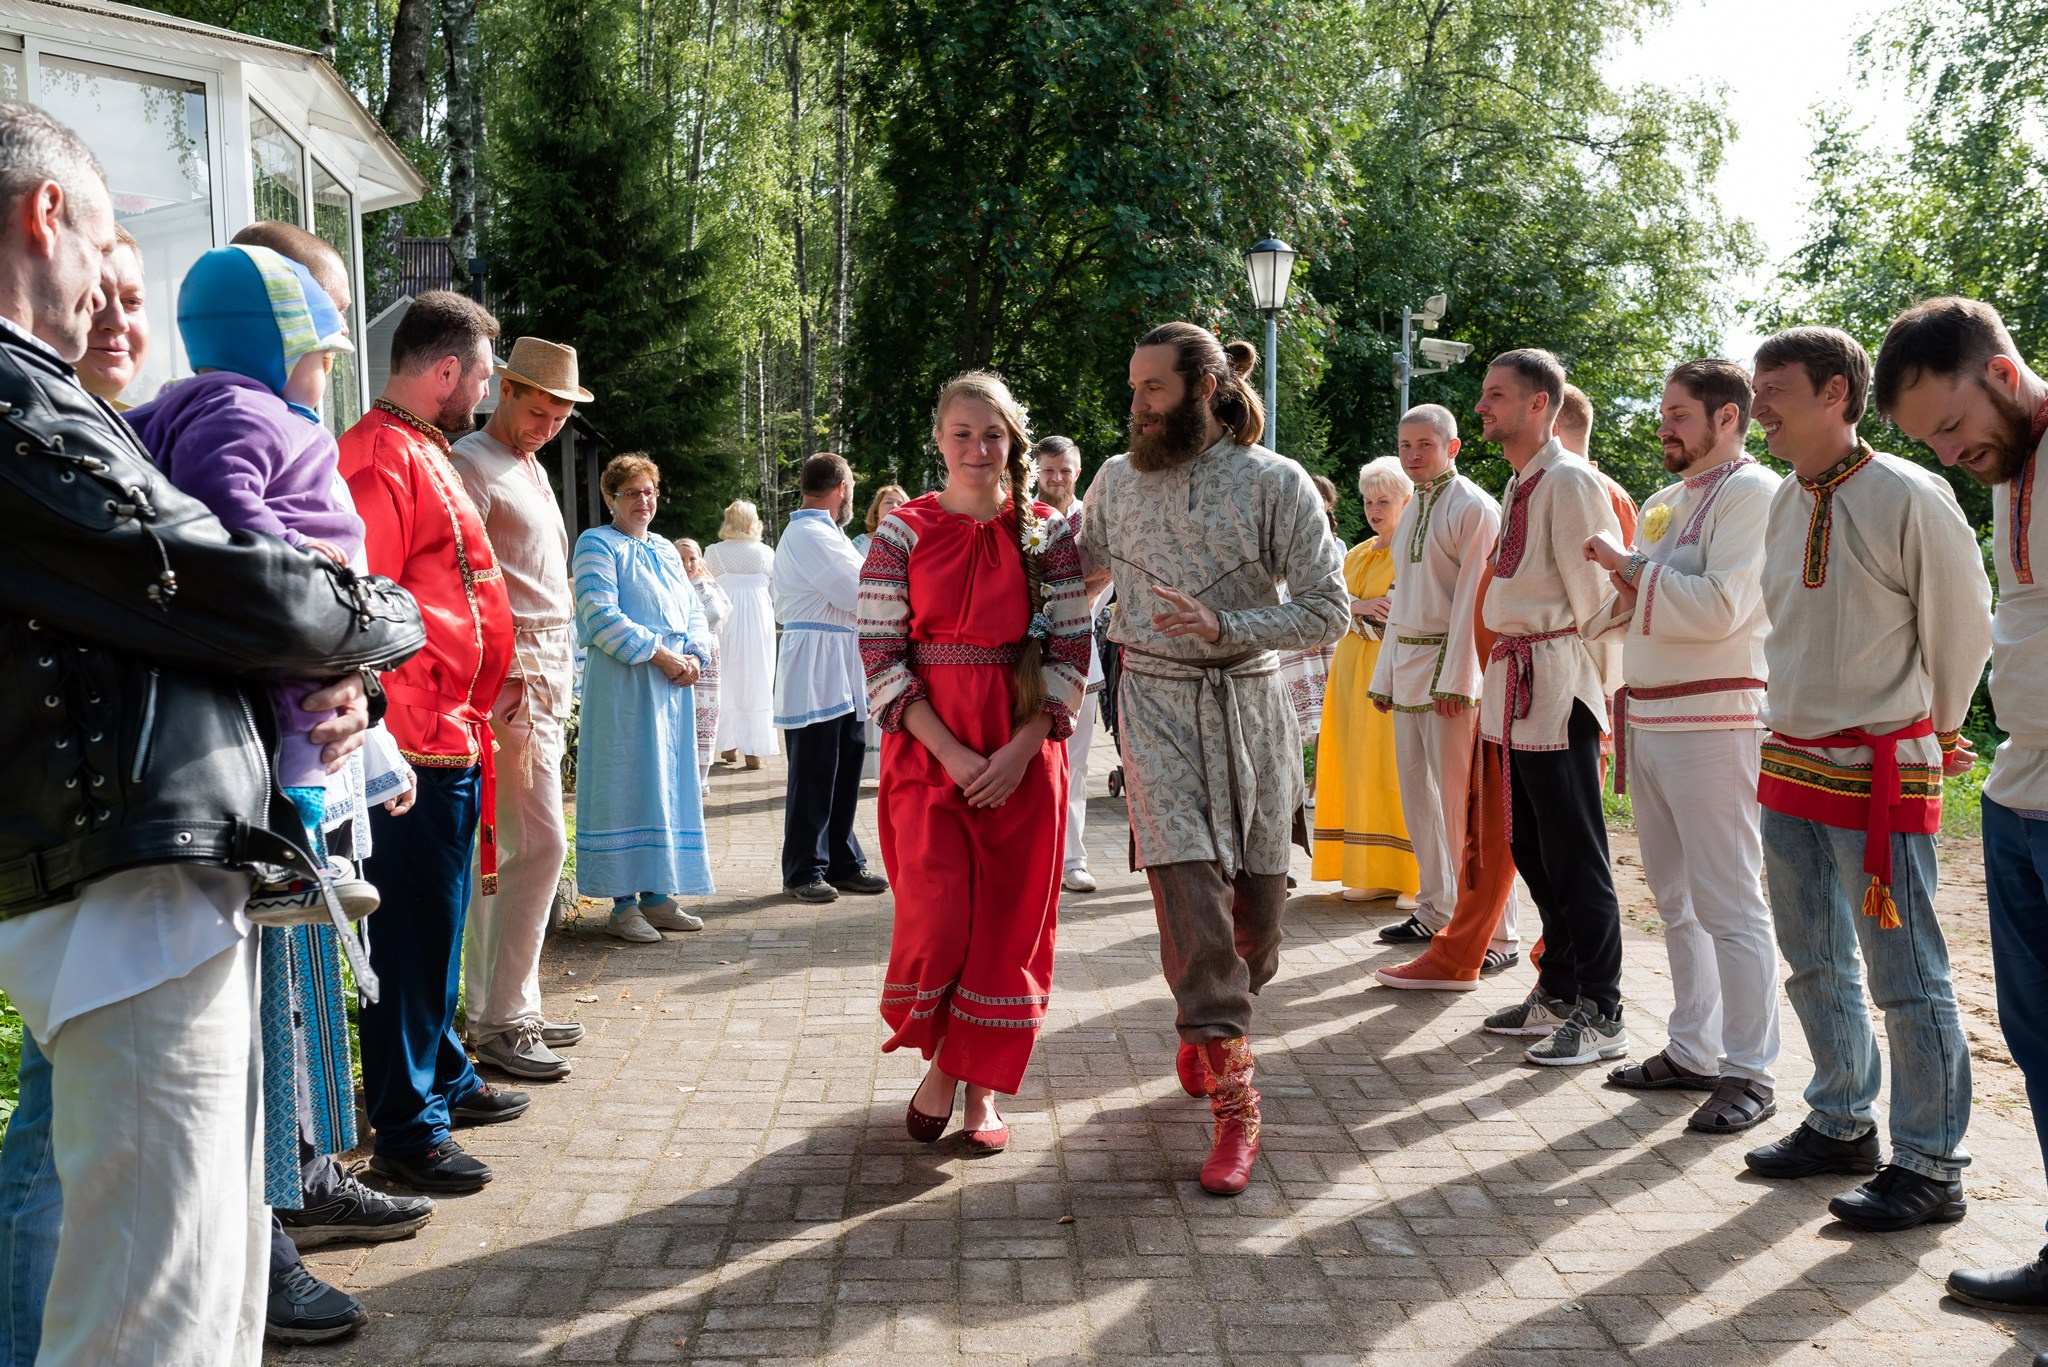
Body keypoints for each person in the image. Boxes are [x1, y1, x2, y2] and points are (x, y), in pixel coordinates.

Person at [0, 98, 421, 1367]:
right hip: (126, 906)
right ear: (46, 214)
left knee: (204, 1279)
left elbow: (205, 602)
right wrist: (384, 619)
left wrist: (349, 681)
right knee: (152, 1308)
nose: (109, 290)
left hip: (154, 886)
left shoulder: (50, 401)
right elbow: (228, 581)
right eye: (105, 245)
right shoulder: (17, 402)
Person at [1076, 322, 1346, 1195]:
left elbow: (1328, 609)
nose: (1136, 405)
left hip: (1250, 708)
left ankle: (1212, 1022)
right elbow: (1073, 577)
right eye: (1133, 388)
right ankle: (1236, 1103)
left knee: (1256, 926)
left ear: (1204, 387)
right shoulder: (1114, 481)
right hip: (1152, 702)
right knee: (1190, 897)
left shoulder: (1276, 481)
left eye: (1152, 388)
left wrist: (1227, 624)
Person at [1740, 325, 1991, 1231]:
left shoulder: (1908, 492)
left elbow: (1964, 619)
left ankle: (1930, 1163)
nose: (1757, 406)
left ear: (1835, 393)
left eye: (1773, 388)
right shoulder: (1783, 499)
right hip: (1791, 759)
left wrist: (1943, 726)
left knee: (1907, 972)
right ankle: (1842, 1119)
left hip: (1879, 768)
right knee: (1812, 956)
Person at [861, 371, 1090, 1150]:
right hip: (930, 748)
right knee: (942, 916)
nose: (978, 448)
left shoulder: (1047, 532)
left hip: (1024, 746)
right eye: (962, 433)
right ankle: (950, 1061)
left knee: (1008, 925)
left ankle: (973, 1087)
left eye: (992, 434)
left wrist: (1023, 748)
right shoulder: (902, 531)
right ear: (939, 439)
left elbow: (1071, 646)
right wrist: (954, 754)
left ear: (1011, 440)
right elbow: (880, 652)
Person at [1873, 299, 2048, 1303]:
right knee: (2037, 1043)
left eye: (1950, 427)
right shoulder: (2009, 467)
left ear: (2001, 373)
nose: (1946, 455)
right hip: (2020, 789)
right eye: (1928, 442)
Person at [343, 290, 528, 1196]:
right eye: (483, 378)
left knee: (439, 927)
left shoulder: (419, 446)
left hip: (447, 729)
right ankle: (407, 1128)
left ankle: (442, 1072)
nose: (485, 395)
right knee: (412, 938)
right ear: (446, 370)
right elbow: (363, 601)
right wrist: (383, 731)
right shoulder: (381, 455)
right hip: (412, 742)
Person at [1582, 359, 1783, 1133]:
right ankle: (1695, 1048)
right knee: (1676, 900)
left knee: (1730, 898)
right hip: (1653, 715)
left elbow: (1724, 608)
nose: (1663, 425)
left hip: (1718, 718)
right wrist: (1616, 584)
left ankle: (1751, 1069)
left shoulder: (1755, 492)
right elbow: (1635, 603)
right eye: (1664, 412)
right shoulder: (1663, 502)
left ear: (1727, 417)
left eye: (1679, 413)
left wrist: (1630, 569)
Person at [1469, 349, 1629, 1067]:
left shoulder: (1569, 481)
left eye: (1496, 395)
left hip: (1557, 682)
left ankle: (1604, 1006)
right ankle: (1560, 987)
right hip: (1519, 680)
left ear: (1540, 404)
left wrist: (1599, 697)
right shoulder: (1521, 481)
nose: (1482, 406)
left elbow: (1598, 603)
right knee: (1532, 847)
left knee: (1575, 852)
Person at [451, 337, 588, 1084]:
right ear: (505, 390)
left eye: (559, 418)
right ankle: (499, 1017)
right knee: (533, 847)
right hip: (513, 678)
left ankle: (512, 1003)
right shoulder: (471, 462)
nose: (546, 428)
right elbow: (465, 580)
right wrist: (499, 677)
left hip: (545, 669)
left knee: (523, 847)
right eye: (538, 412)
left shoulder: (524, 463)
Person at [1366, 404, 1518, 978]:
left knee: (1464, 810)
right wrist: (1384, 675)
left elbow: (1474, 603)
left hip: (1452, 677)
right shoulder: (1412, 508)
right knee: (1419, 802)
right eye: (1405, 445)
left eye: (1424, 445)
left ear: (1452, 447)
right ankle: (1436, 909)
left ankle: (1498, 932)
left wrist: (1460, 679)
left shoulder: (1473, 506)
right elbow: (1403, 599)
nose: (1412, 455)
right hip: (1407, 669)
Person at [572, 455, 718, 941]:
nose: (643, 501)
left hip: (671, 686)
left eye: (649, 492)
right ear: (610, 497)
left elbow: (693, 609)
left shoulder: (665, 548)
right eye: (632, 493)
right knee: (625, 781)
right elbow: (599, 614)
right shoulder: (597, 543)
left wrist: (694, 654)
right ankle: (622, 904)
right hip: (625, 682)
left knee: (665, 783)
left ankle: (656, 896)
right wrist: (660, 655)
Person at [774, 453, 891, 903]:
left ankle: (841, 860)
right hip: (816, 660)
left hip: (839, 656)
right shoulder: (809, 533)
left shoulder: (828, 532)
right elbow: (857, 590)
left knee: (844, 765)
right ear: (842, 488)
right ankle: (803, 868)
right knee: (816, 767)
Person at [1311, 457, 1419, 903]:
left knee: (1392, 767)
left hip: (1391, 674)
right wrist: (1356, 608)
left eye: (1384, 501)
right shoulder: (1356, 552)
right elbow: (1329, 610)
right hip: (1350, 675)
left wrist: (1352, 610)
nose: (1374, 510)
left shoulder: (1414, 553)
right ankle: (1371, 869)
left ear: (1407, 501)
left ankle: (1413, 876)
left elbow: (1388, 619)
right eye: (1368, 501)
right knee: (1358, 766)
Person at [1031, 435, 1107, 892]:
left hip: (1080, 659)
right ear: (1036, 472)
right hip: (1022, 658)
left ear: (1078, 472)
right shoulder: (1022, 518)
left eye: (1065, 471)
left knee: (1074, 764)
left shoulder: (1091, 523)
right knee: (1026, 763)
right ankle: (1032, 859)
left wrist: (1073, 609)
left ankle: (1072, 859)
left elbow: (1102, 586)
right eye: (1049, 471)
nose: (1057, 479)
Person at [703, 499, 779, 768]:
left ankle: (728, 744)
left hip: (727, 622)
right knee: (757, 680)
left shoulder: (713, 552)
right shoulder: (766, 552)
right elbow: (776, 593)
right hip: (758, 623)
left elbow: (705, 588)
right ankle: (754, 750)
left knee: (727, 678)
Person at [854, 483, 910, 783]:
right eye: (889, 502)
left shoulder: (911, 538)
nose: (895, 507)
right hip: (868, 630)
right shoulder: (859, 544)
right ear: (876, 510)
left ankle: (887, 768)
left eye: (900, 502)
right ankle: (867, 768)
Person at [678, 537, 730, 782]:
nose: (687, 564)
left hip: (705, 653)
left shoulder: (705, 586)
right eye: (681, 559)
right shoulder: (670, 584)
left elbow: (717, 612)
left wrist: (692, 627)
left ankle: (702, 776)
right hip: (678, 654)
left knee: (705, 711)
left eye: (692, 559)